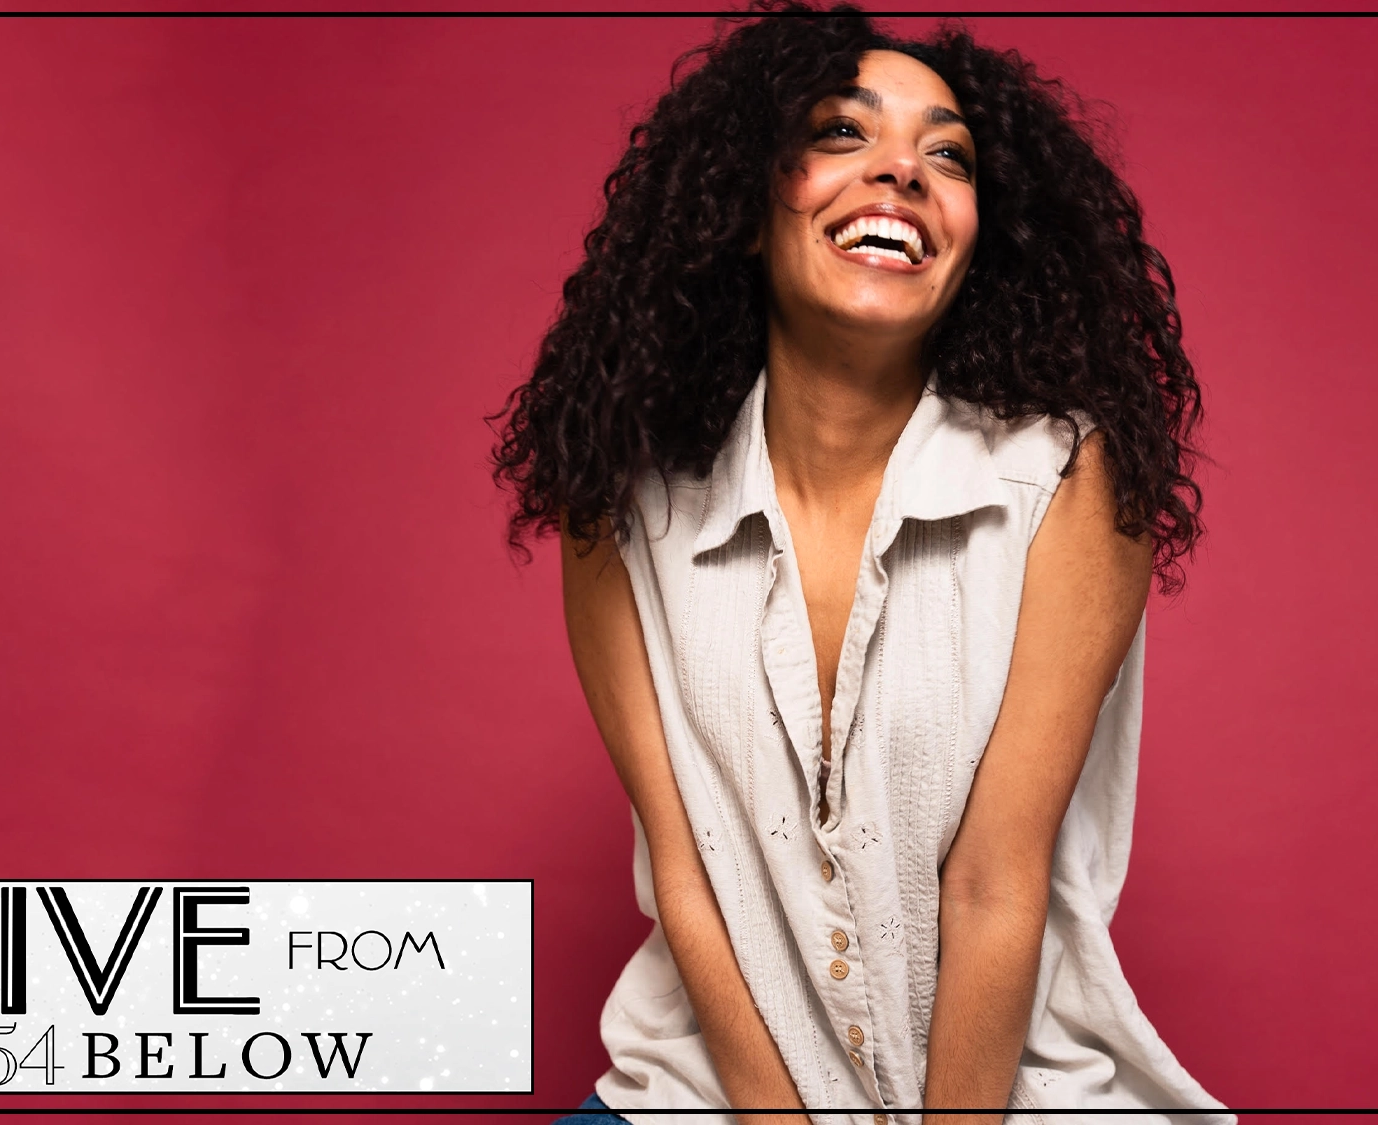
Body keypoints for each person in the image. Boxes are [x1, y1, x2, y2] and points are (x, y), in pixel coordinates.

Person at [490, 3, 1232, 1122]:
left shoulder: (1067, 478)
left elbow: (993, 881)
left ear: (980, 237)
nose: (901, 172)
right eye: (843, 134)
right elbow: (690, 875)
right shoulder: (620, 499)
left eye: (947, 155)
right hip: (706, 1096)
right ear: (745, 206)